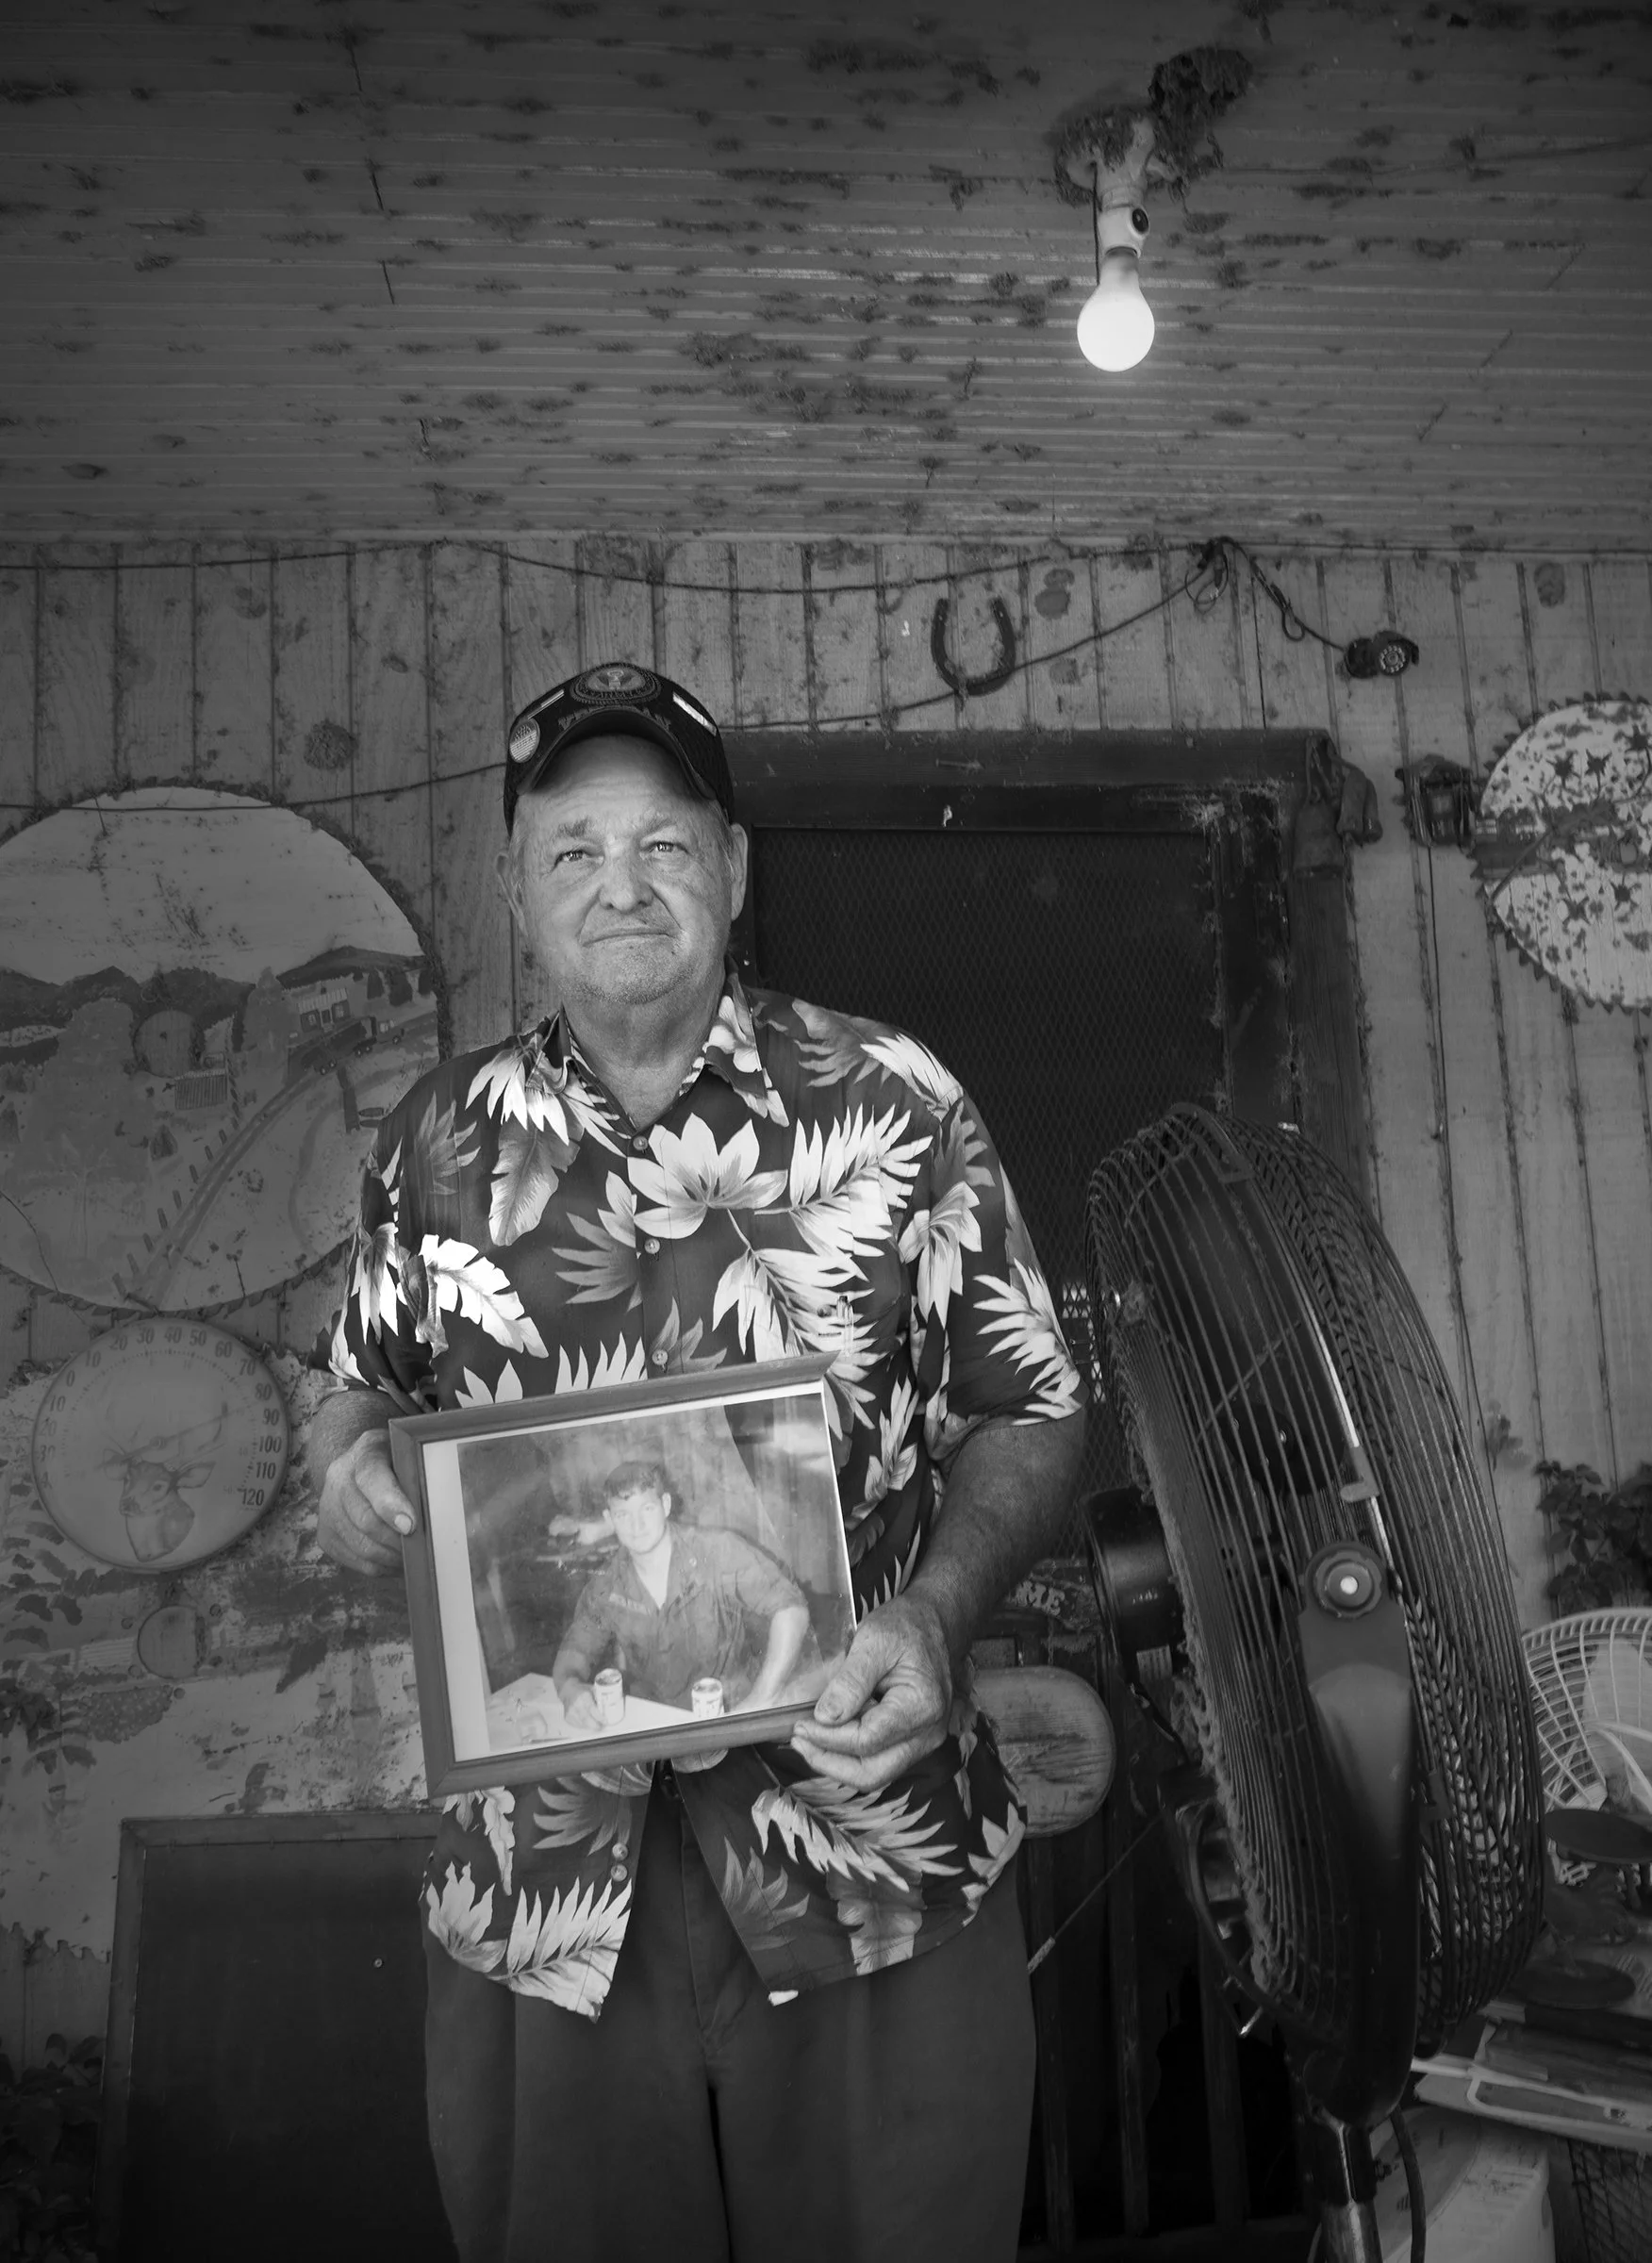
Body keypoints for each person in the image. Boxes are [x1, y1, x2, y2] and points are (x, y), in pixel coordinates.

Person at [312, 658, 1085, 2263]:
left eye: (665, 845)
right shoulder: (434, 1144)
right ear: (516, 891)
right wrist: (348, 1473)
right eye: (573, 850)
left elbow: (1033, 1406)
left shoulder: (895, 1103)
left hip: (865, 1848)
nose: (621, 886)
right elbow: (353, 1403)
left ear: (732, 871)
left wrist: (938, 1619)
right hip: (548, 1887)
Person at [553, 1458, 810, 1725]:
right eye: (623, 1515)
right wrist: (569, 1689)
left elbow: (791, 1609)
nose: (636, 1525)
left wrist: (762, 1698)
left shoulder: (717, 1551)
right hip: (659, 1726)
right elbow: (575, 1651)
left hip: (729, 1718)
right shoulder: (606, 1584)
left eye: (647, 1508)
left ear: (665, 1505)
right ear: (609, 1519)